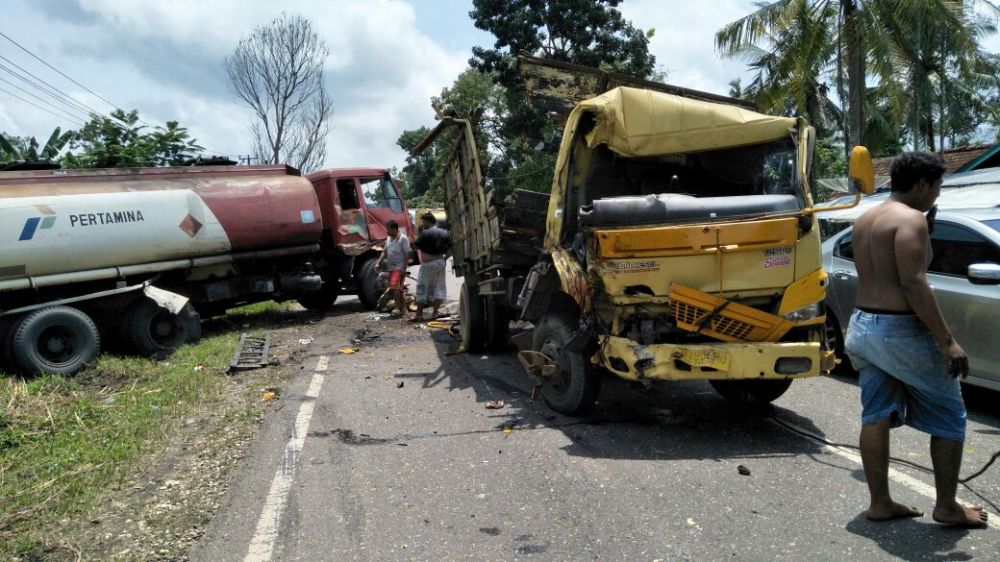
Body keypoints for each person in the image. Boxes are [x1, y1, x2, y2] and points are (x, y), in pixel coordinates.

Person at [844, 151, 988, 528]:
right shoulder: (911, 220)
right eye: (937, 186)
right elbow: (912, 282)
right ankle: (947, 507)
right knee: (949, 414)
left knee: (875, 414)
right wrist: (947, 341)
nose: (937, 195)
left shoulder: (865, 219)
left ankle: (880, 503)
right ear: (922, 184)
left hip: (863, 325)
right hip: (899, 329)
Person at [410, 212, 451, 322]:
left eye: (424, 222)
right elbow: (450, 250)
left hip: (428, 264)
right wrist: (444, 258)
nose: (423, 224)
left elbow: (414, 245)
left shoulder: (425, 233)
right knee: (439, 287)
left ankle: (419, 315)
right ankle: (435, 313)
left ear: (428, 221)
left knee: (422, 287)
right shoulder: (444, 233)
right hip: (440, 262)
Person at [375, 220, 410, 319]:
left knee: (394, 287)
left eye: (388, 229)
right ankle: (403, 309)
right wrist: (379, 263)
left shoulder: (403, 239)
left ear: (395, 229)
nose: (387, 231)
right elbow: (385, 252)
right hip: (391, 267)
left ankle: (397, 307)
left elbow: (406, 254)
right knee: (399, 289)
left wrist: (404, 267)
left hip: (399, 267)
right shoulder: (389, 239)